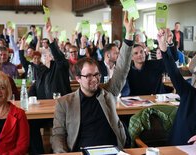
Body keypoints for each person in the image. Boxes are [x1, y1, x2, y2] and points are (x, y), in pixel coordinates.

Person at [50, 11, 134, 153]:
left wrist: (129, 36)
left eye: (96, 74)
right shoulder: (64, 103)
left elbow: (122, 69)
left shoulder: (108, 92)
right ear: (78, 78)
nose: (94, 79)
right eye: (88, 76)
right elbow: (57, 136)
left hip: (112, 150)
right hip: (83, 151)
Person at [28, 18, 71, 99]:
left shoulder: (60, 67)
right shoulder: (42, 70)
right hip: (43, 105)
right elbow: (35, 87)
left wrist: (49, 34)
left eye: (47, 55)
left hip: (61, 104)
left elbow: (59, 57)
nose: (45, 58)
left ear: (52, 58)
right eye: (45, 56)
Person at [126, 30, 178, 96]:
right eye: (136, 53)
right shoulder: (128, 71)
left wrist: (170, 42)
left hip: (156, 102)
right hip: (135, 103)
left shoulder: (154, 65)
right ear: (132, 57)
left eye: (141, 52)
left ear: (145, 53)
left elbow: (173, 59)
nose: (140, 54)